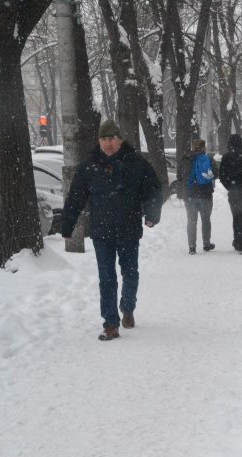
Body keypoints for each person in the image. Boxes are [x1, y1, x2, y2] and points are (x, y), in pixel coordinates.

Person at [61, 119, 162, 341]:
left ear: (120, 140)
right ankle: (110, 323)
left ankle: (127, 306)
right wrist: (67, 224)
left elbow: (153, 189)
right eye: (104, 139)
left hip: (128, 228)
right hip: (101, 231)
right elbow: (76, 196)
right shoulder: (89, 166)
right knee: (106, 278)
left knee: (130, 272)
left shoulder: (136, 163)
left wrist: (152, 215)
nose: (108, 144)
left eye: (112, 139)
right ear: (99, 141)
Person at [180, 139, 216, 255]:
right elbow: (216, 173)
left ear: (193, 147)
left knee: (191, 221)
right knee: (206, 220)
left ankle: (192, 247)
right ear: (204, 147)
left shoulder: (185, 159)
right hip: (205, 194)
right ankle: (206, 244)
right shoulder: (208, 158)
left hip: (190, 195)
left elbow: (179, 176)